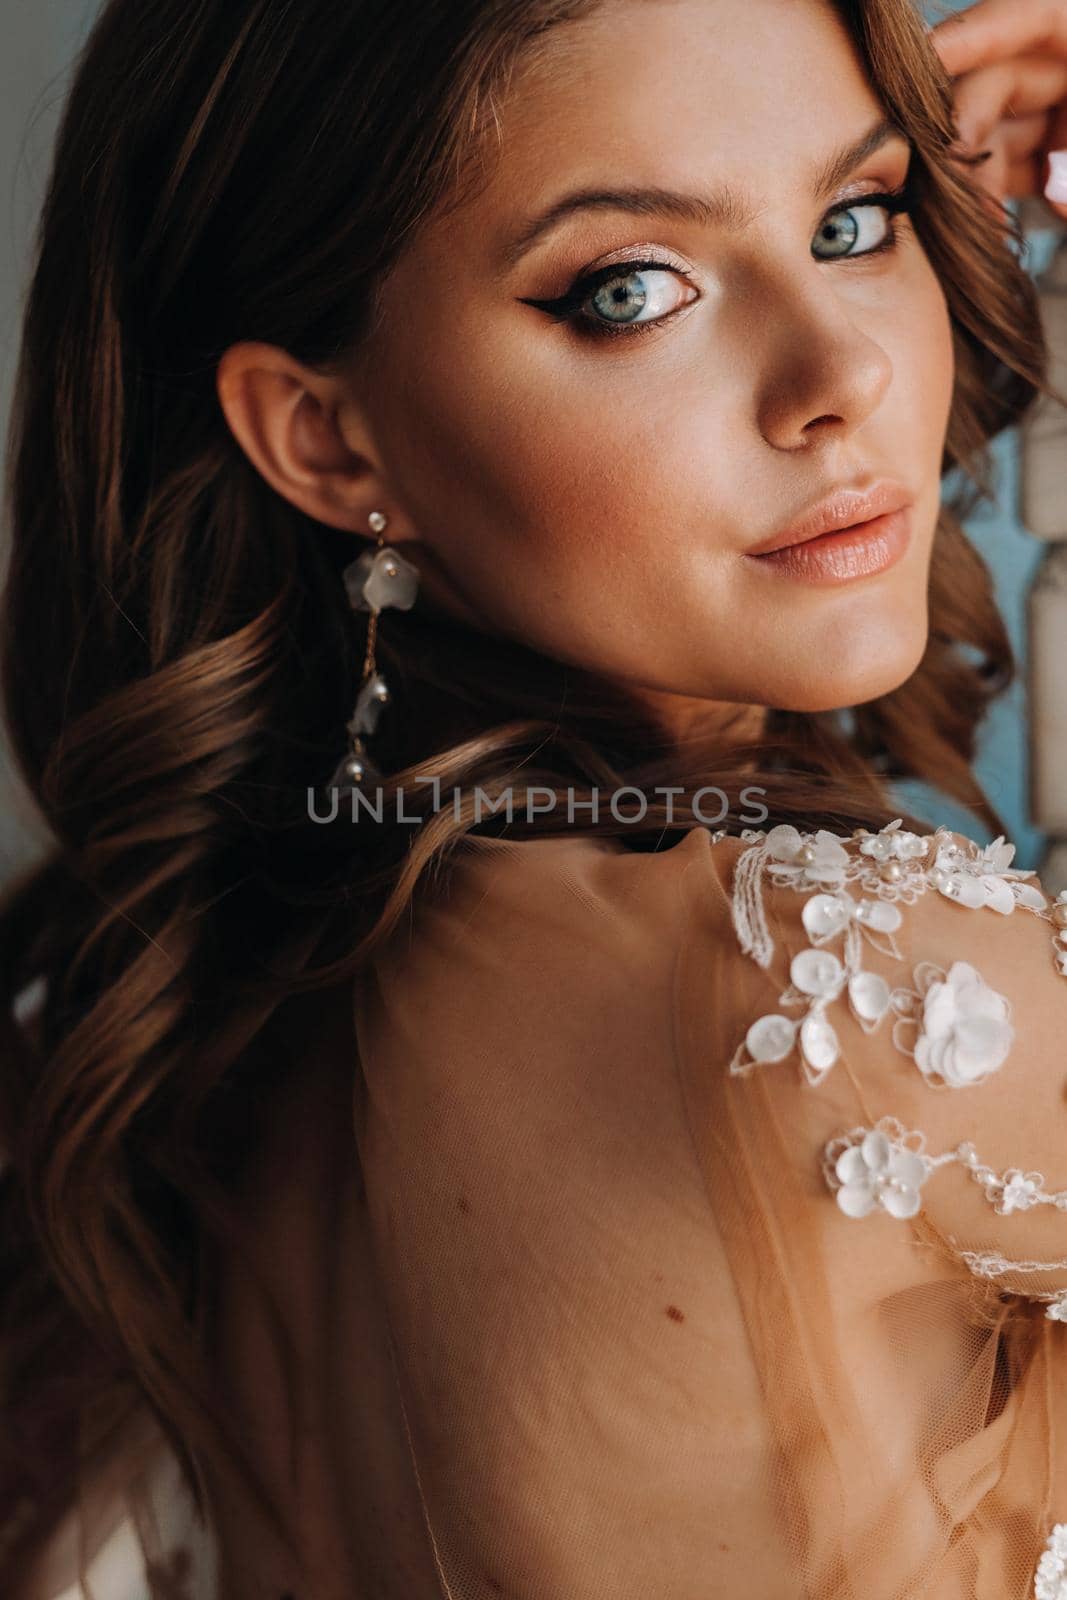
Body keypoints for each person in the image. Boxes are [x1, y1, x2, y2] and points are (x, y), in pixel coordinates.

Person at [3, 0, 1067, 1594]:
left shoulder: (212, 996)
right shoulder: (871, 1000)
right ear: (325, 435)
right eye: (632, 291)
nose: (838, 372)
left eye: (855, 219)